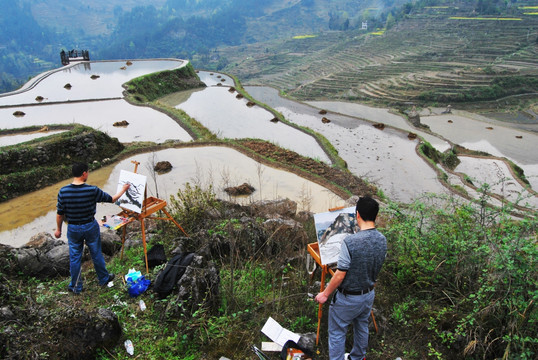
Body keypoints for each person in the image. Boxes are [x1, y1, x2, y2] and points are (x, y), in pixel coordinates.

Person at [315, 196, 387, 360]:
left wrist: (325, 294)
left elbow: (340, 274)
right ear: (375, 216)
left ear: (358, 215)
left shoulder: (351, 241)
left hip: (348, 298)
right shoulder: (382, 240)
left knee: (337, 331)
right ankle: (357, 357)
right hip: (368, 295)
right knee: (362, 325)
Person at [55, 162, 130, 294]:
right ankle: (103, 278)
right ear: (84, 173)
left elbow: (60, 213)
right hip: (90, 226)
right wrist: (123, 190)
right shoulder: (92, 190)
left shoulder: (63, 191)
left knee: (75, 257)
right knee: (96, 253)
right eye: (88, 172)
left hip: (73, 228)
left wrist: (58, 230)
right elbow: (112, 199)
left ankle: (76, 286)